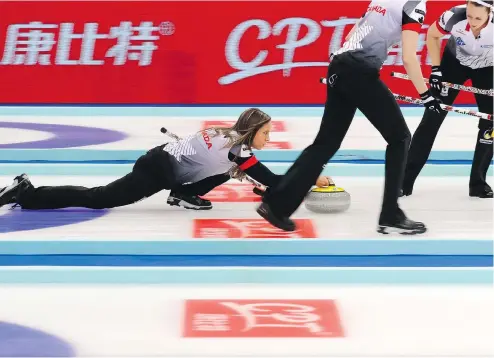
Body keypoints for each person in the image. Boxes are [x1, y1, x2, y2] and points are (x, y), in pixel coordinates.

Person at [256, 0, 439, 235]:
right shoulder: (414, 5)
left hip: (339, 66)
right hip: (359, 73)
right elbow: (409, 58)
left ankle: (276, 205)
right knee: (400, 138)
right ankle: (390, 214)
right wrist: (426, 95)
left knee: (325, 143)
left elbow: (357, 28)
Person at [0, 108, 331, 211]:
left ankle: (183, 193)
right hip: (155, 169)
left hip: (162, 161)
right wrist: (312, 177)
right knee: (99, 198)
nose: (269, 138)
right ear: (252, 131)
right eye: (266, 132)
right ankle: (27, 193)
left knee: (229, 172)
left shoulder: (226, 135)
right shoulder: (238, 150)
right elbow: (270, 179)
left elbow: (242, 170)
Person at [402, 0, 493, 198]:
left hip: (487, 69)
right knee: (432, 116)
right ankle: (404, 181)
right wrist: (436, 69)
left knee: (491, 124)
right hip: (454, 63)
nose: (472, 21)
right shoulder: (455, 14)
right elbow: (432, 35)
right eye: (469, 16)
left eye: (478, 18)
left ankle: (478, 184)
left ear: (490, 13)